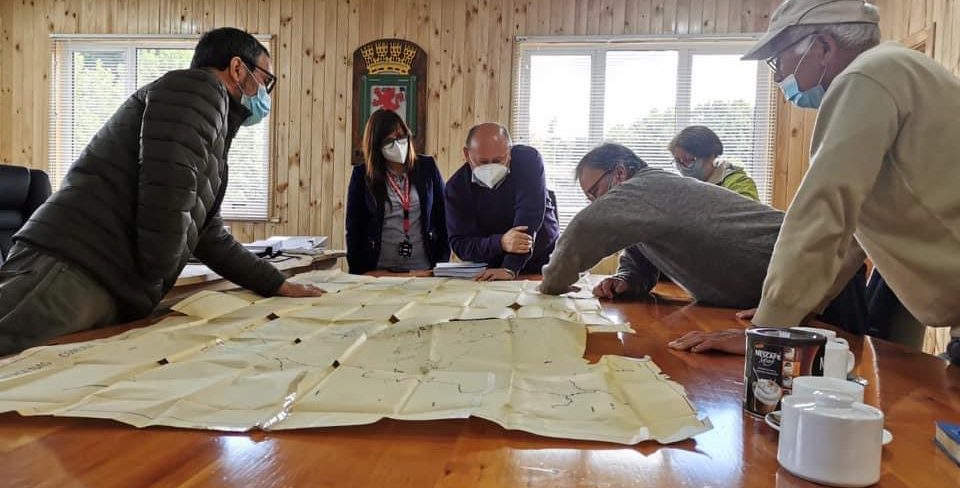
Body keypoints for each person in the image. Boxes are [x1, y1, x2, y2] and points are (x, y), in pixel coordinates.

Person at [668, 0, 960, 364]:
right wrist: (789, 313)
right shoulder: (897, 69)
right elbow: (853, 231)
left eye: (780, 60)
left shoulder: (866, 76)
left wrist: (768, 331)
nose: (777, 77)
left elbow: (822, 210)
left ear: (822, 47)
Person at [0, 27, 324, 355]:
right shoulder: (198, 89)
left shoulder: (210, 120)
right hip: (73, 267)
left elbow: (209, 236)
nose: (264, 93)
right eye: (265, 79)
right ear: (237, 68)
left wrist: (277, 284)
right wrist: (154, 278)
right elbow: (168, 197)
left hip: (96, 276)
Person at [539, 143, 867, 335]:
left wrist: (549, 286)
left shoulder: (646, 187)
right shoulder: (644, 202)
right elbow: (641, 255)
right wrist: (627, 280)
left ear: (621, 173)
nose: (595, 202)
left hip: (815, 276)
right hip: (779, 290)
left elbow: (585, 229)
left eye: (595, 191)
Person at [444, 123, 559, 281]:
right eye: (483, 162)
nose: (491, 167)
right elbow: (460, 243)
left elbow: (528, 217)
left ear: (510, 152)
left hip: (542, 260)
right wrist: (501, 243)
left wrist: (509, 268)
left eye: (499, 160)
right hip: (492, 268)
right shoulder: (456, 188)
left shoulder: (528, 160)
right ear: (467, 154)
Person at [346, 110, 449, 274]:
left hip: (423, 269)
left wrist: (441, 264)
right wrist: (360, 272)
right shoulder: (362, 175)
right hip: (379, 271)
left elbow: (444, 218)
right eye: (389, 141)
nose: (398, 144)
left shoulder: (427, 168)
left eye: (401, 137)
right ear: (376, 145)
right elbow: (354, 228)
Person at [669, 125, 759, 200]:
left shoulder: (739, 183)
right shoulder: (682, 186)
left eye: (689, 160)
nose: (683, 167)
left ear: (710, 156)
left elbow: (747, 217)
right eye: (678, 161)